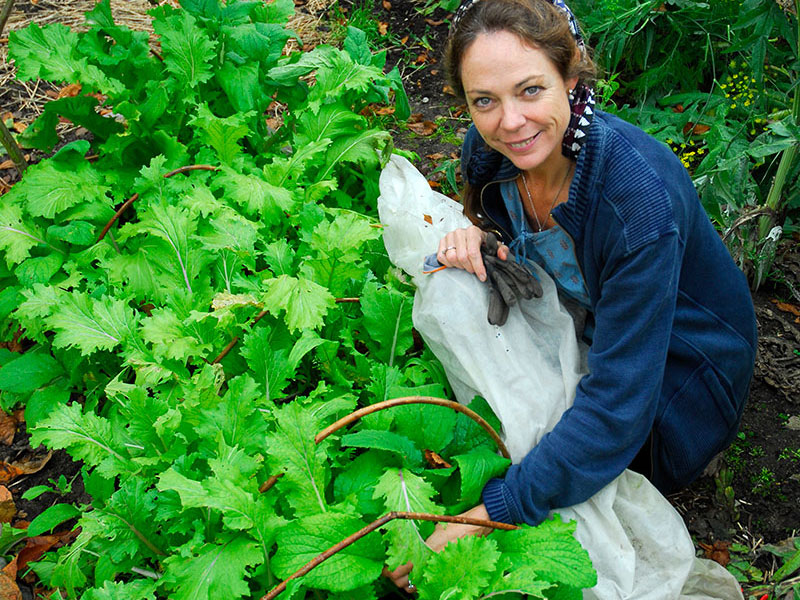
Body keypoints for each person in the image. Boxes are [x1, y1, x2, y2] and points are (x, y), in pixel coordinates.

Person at [386, 0, 758, 593]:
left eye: (530, 90)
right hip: (589, 329)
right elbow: (502, 226)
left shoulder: (636, 199)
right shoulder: (493, 153)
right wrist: (481, 236)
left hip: (676, 388)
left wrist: (489, 512)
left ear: (571, 76)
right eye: (485, 100)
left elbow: (617, 408)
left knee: (573, 486)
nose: (510, 121)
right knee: (453, 281)